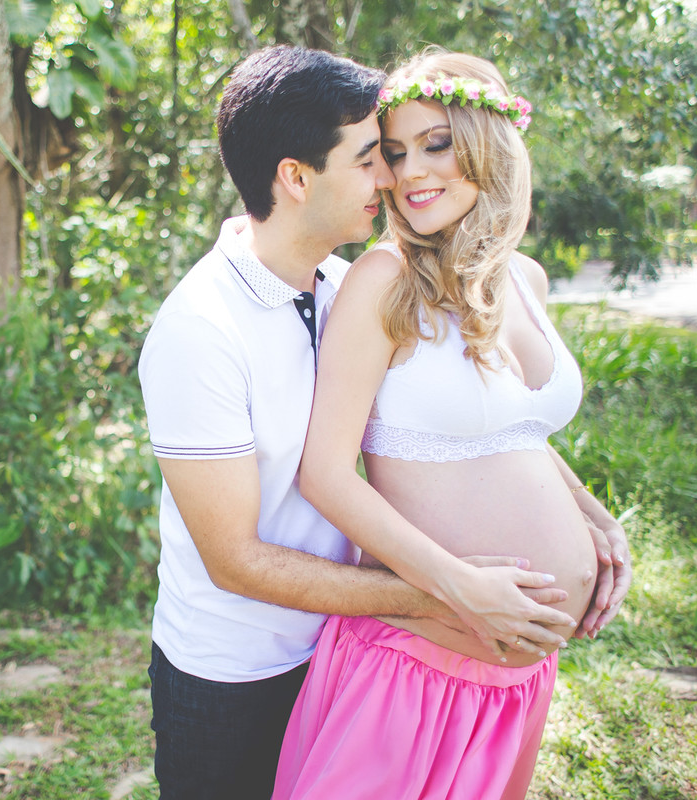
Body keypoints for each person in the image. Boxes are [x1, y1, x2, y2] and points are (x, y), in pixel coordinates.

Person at [137, 45, 585, 800]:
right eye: (374, 157)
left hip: (347, 644)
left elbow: (486, 419)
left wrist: (586, 514)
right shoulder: (200, 328)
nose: (395, 177)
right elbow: (234, 560)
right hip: (239, 669)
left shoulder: (351, 281)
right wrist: (443, 596)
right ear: (296, 176)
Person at [271, 49, 632, 800]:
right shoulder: (384, 280)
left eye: (436, 144)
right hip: (414, 666)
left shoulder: (522, 279)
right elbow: (326, 473)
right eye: (394, 154)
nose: (410, 173)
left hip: (515, 682)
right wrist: (463, 587)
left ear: (488, 141)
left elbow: (512, 428)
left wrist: (594, 518)